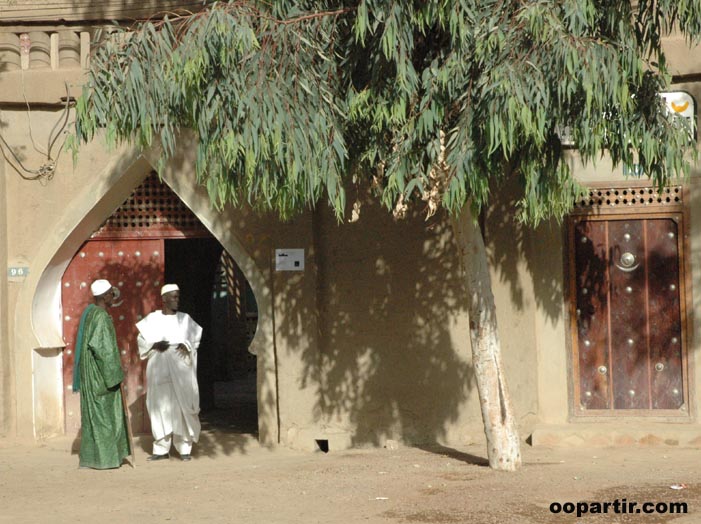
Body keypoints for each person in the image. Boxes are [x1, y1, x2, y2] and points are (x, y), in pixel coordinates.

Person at [136, 284, 203, 462]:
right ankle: (160, 448)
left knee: (182, 405)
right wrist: (154, 345)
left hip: (181, 367)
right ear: (164, 299)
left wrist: (186, 345)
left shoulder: (186, 319)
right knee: (160, 405)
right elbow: (141, 341)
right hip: (159, 366)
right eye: (173, 297)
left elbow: (195, 341)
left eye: (178, 297)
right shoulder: (152, 319)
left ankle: (184, 448)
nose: (177, 300)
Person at [73, 278, 131, 469]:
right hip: (100, 375)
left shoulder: (90, 313)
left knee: (94, 415)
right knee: (106, 415)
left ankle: (93, 458)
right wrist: (116, 375)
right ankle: (107, 459)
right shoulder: (101, 317)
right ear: (105, 296)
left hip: (91, 373)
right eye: (111, 295)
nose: (113, 298)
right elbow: (104, 350)